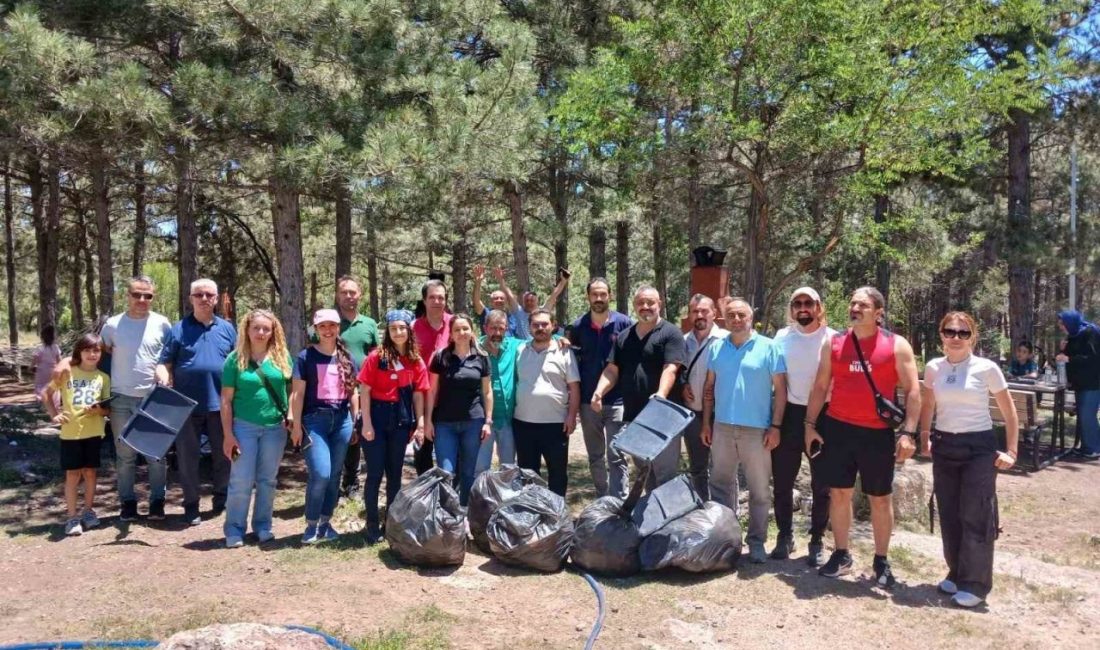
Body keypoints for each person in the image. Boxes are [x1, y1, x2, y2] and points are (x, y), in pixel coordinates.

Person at [804, 287, 920, 587]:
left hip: (877, 433)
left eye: (863, 305)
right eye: (853, 303)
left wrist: (908, 433)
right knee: (839, 493)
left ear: (878, 313)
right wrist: (809, 425)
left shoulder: (896, 345)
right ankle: (842, 554)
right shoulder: (834, 342)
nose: (855, 308)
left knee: (880, 498)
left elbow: (913, 391)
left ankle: (881, 561)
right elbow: (820, 386)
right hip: (838, 429)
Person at [918, 311, 1020, 608]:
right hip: (944, 445)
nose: (956, 338)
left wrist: (1012, 451)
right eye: (950, 332)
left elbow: (1009, 412)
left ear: (972, 337)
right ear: (941, 335)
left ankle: (975, 583)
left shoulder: (986, 368)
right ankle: (957, 572)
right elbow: (928, 404)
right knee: (949, 512)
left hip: (978, 448)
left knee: (975, 513)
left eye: (963, 333)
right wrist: (924, 435)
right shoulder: (934, 367)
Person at [701, 297, 787, 563]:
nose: (736, 320)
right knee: (720, 485)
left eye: (742, 315)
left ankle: (756, 542)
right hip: (722, 428)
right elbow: (708, 388)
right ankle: (724, 540)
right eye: (731, 316)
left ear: (751, 318)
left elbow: (781, 391)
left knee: (759, 490)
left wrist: (775, 426)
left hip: (757, 430)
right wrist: (706, 423)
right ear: (724, 319)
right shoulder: (717, 348)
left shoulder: (770, 347)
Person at [155, 279, 238, 525]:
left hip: (221, 405)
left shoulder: (228, 329)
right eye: (198, 294)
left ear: (216, 299)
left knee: (224, 455)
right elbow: (164, 363)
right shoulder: (178, 329)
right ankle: (191, 505)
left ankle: (221, 498)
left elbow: (238, 363)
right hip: (186, 406)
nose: (204, 299)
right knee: (187, 458)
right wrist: (163, 377)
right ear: (191, 298)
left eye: (209, 295)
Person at [590, 286, 685, 491]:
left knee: (665, 475)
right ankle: (651, 511)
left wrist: (661, 395)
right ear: (634, 306)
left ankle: (667, 512)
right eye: (641, 303)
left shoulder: (671, 333)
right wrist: (599, 392)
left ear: (659, 304)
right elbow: (612, 370)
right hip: (635, 417)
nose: (645, 307)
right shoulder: (625, 336)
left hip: (664, 417)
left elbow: (671, 368)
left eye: (650, 302)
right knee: (645, 473)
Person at [98, 276, 173, 522]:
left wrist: (165, 372)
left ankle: (157, 503)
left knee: (156, 455)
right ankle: (128, 503)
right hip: (121, 399)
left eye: (147, 295)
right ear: (127, 295)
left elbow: (168, 357)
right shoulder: (112, 325)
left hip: (153, 399)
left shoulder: (162, 324)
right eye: (136, 294)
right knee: (125, 456)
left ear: (153, 297)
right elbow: (100, 353)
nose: (142, 299)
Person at [220, 309, 293, 548]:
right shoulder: (235, 359)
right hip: (243, 428)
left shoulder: (282, 357)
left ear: (273, 332)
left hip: (275, 428)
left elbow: (292, 390)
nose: (261, 333)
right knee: (241, 479)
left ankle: (262, 526)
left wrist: (291, 415)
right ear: (247, 330)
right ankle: (234, 529)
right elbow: (226, 400)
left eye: (266, 329)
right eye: (256, 328)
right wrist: (228, 435)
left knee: (267, 480)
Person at [772, 287, 835, 565]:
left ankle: (817, 540)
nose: (802, 308)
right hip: (789, 415)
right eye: (797, 303)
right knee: (782, 481)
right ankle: (784, 536)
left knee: (822, 483)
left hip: (824, 416)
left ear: (819, 307)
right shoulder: (781, 337)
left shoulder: (834, 338)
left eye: (808, 302)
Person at [357, 309, 429, 544]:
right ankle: (371, 524)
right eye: (393, 328)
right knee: (375, 473)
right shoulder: (376, 358)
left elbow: (418, 394)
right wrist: (367, 423)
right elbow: (364, 390)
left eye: (402, 328)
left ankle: (391, 522)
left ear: (409, 331)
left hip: (400, 419)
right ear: (387, 331)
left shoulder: (415, 360)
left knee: (395, 474)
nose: (398, 332)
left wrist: (420, 423)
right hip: (376, 417)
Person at [290, 309, 359, 544]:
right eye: (322, 326)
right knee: (321, 473)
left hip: (342, 421)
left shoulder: (347, 357)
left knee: (335, 474)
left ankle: (325, 523)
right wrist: (296, 425)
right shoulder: (305, 357)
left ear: (338, 327)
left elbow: (353, 392)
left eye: (332, 325)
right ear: (316, 329)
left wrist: (355, 421)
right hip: (314, 421)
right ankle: (311, 524)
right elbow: (297, 394)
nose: (327, 330)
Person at [569, 278, 633, 498]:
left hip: (618, 400)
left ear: (610, 295)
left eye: (603, 294)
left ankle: (619, 499)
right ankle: (603, 498)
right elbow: (573, 360)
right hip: (588, 402)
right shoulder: (578, 326)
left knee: (617, 453)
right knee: (595, 455)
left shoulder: (624, 323)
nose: (598, 298)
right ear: (588, 296)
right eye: (594, 294)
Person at [42, 334, 110, 536]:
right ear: (79, 352)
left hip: (94, 432)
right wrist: (54, 414)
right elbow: (46, 394)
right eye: (87, 350)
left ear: (101, 353)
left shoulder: (103, 378)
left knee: (90, 473)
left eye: (96, 350)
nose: (92, 354)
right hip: (71, 433)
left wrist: (97, 410)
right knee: (73, 474)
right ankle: (72, 517)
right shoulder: (67, 372)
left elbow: (107, 409)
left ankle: (88, 511)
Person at [425, 313, 493, 505]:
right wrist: (428, 421)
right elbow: (432, 391)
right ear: (451, 333)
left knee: (468, 472)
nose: (461, 333)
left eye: (465, 329)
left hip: (473, 422)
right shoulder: (441, 357)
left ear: (472, 331)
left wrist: (488, 421)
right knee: (445, 472)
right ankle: (447, 513)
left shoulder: (482, 358)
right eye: (457, 329)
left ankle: (464, 513)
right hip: (444, 423)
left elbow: (487, 392)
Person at [513, 309, 580, 496]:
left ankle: (556, 510)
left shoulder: (564, 352)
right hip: (523, 423)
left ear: (553, 326)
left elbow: (574, 388)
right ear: (529, 327)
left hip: (556, 424)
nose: (540, 328)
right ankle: (530, 509)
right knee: (527, 474)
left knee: (557, 474)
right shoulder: (519, 350)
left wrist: (571, 416)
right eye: (536, 325)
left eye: (544, 324)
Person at [329, 276, 380, 501]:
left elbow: (376, 354)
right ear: (337, 295)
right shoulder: (329, 322)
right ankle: (333, 486)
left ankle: (352, 484)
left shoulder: (369, 324)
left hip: (364, 389)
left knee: (355, 436)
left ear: (360, 295)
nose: (348, 296)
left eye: (352, 292)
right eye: (344, 292)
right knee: (337, 437)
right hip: (334, 390)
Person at [678, 294, 729, 499]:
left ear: (714, 314)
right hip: (692, 413)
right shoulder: (682, 341)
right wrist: (682, 385)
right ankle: (702, 509)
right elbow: (677, 370)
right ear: (690, 315)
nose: (699, 315)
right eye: (695, 311)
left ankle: (725, 511)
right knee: (698, 467)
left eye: (704, 311)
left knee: (724, 469)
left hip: (721, 414)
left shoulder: (726, 339)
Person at [412, 279, 454, 474]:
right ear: (424, 300)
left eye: (441, 297)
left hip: (449, 399)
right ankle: (426, 490)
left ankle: (450, 490)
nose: (437, 301)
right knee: (422, 452)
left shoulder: (455, 324)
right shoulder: (413, 328)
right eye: (432, 297)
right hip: (420, 398)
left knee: (451, 455)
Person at [476, 309, 520, 475]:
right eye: (493, 328)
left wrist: (559, 338)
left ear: (506, 328)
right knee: (480, 467)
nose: (497, 333)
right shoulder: (476, 348)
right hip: (482, 420)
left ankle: (506, 492)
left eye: (501, 328)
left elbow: (538, 340)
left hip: (507, 419)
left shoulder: (514, 346)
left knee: (508, 468)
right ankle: (479, 492)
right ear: (485, 328)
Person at [1056, 310, 1100, 459]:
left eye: (1062, 324)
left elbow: (1093, 358)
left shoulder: (1090, 332)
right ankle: (1086, 447)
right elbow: (1068, 356)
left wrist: (1069, 359)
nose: (1061, 327)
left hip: (1093, 382)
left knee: (1088, 415)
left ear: (1070, 322)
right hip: (1079, 382)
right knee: (1082, 415)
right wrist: (1063, 350)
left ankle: (1095, 448)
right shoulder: (1073, 335)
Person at [495, 268, 570, 340]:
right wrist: (500, 280)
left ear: (537, 301)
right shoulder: (519, 312)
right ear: (523, 301)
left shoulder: (543, 311)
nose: (529, 302)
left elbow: (554, 294)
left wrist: (563, 281)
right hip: (524, 346)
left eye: (532, 300)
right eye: (527, 300)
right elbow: (509, 295)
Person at [472, 265, 521, 337]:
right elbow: (476, 301)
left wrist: (501, 280)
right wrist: (478, 281)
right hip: (490, 343)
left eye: (502, 298)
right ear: (491, 302)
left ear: (506, 301)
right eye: (496, 298)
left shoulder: (511, 315)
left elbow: (511, 297)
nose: (499, 300)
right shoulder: (486, 313)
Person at [33, 325, 62, 403]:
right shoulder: (56, 347)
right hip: (53, 370)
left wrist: (31, 367)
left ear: (42, 337)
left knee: (40, 385)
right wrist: (61, 369)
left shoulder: (40, 348)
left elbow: (35, 359)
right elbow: (59, 360)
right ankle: (54, 402)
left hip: (41, 371)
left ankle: (41, 400)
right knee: (53, 385)